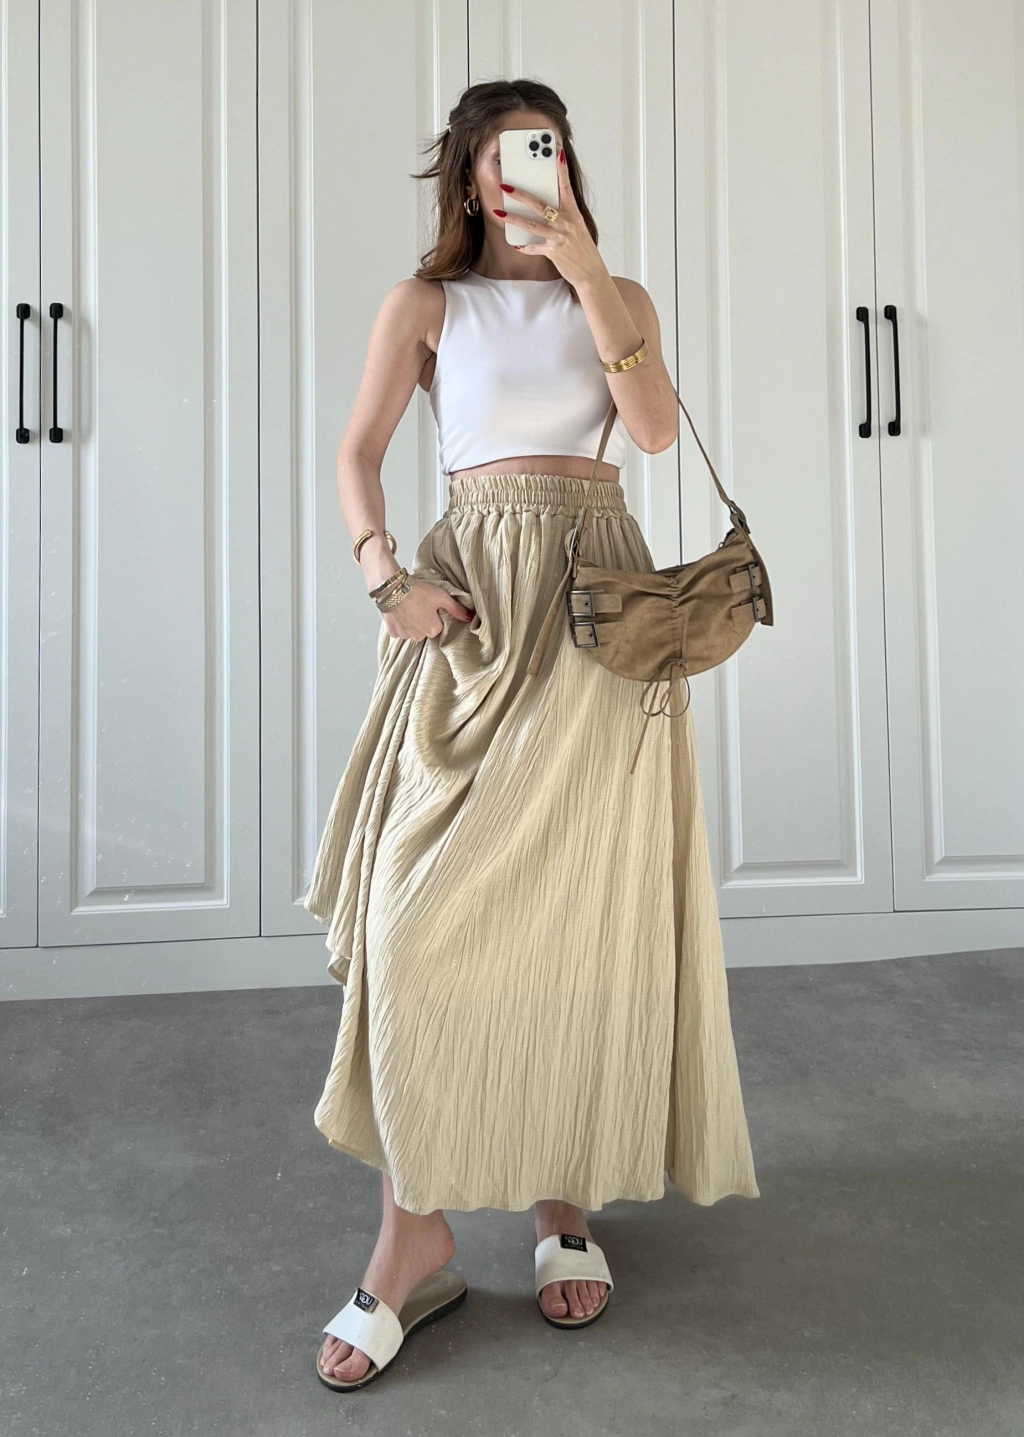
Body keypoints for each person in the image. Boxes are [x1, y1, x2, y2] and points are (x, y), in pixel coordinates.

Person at [305, 79, 759, 1392]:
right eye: (505, 157)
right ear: (468, 175)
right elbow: (356, 453)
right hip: (476, 615)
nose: (527, 175)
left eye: (546, 152)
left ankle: (565, 1202)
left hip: (600, 613)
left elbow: (655, 432)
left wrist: (590, 272)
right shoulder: (425, 304)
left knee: (580, 917)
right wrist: (387, 579)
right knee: (413, 922)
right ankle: (416, 1233)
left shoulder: (614, 296)